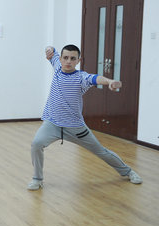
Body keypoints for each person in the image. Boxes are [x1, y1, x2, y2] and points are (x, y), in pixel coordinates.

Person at [28, 45, 143, 190]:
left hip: (75, 127)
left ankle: (128, 171)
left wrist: (109, 82)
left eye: (72, 58)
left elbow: (96, 78)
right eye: (65, 58)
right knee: (37, 144)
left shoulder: (81, 78)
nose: (68, 61)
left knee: (101, 151)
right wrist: (48, 48)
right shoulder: (57, 65)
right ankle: (37, 179)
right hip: (52, 124)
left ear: (78, 60)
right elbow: (51, 52)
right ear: (61, 59)